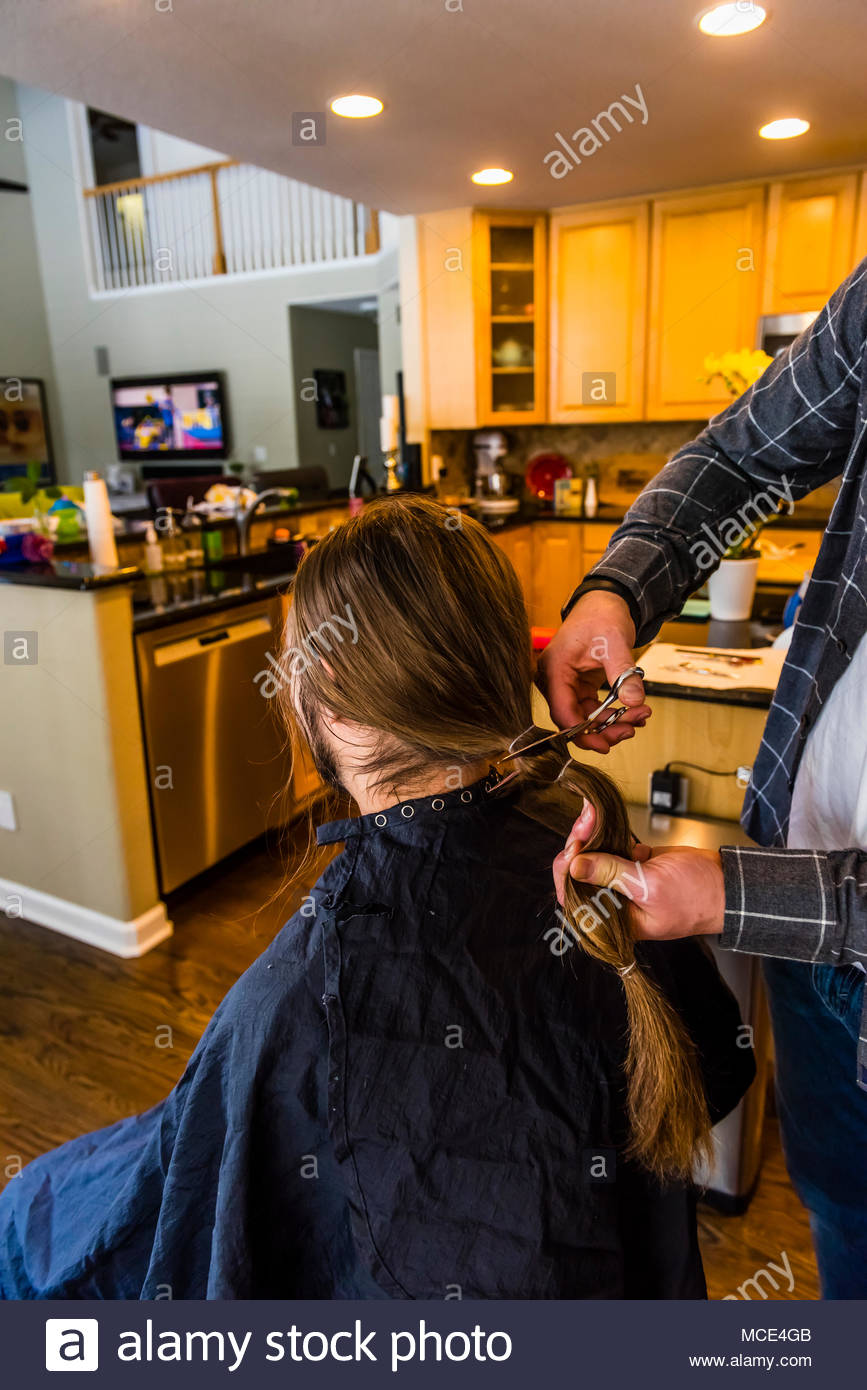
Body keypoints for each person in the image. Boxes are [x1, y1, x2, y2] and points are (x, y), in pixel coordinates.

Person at [0, 497, 754, 1300]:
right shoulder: (603, 858)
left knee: (25, 1217)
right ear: (506, 662)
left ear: (322, 687)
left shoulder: (282, 1005)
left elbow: (187, 1233)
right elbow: (720, 1066)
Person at [543, 258, 867, 1299]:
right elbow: (739, 457)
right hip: (818, 965)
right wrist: (616, 589)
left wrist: (734, 893)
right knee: (844, 1213)